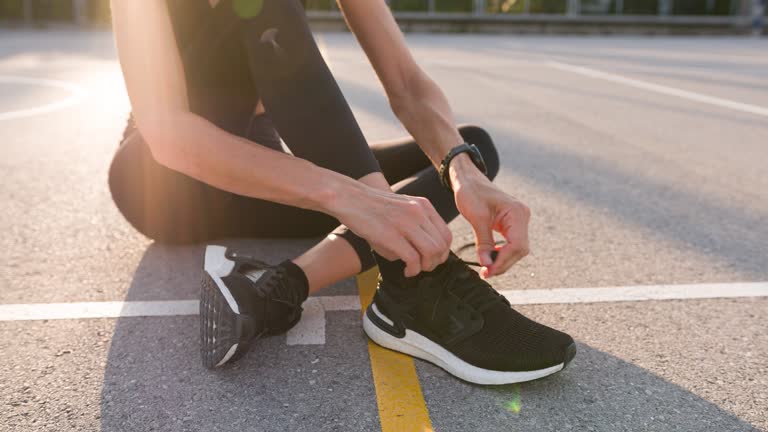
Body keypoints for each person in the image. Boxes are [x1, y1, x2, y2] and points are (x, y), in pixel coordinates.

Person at [108, 0, 575, 385]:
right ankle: (416, 278)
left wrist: (463, 173)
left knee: (469, 148)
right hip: (165, 185)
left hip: (263, 172)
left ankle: (282, 288)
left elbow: (408, 85)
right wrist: (350, 197)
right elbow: (166, 132)